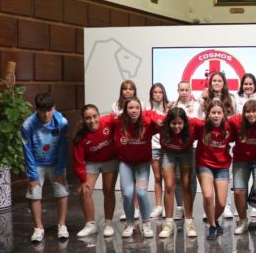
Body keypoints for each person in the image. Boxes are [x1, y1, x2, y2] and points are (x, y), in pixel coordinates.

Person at [111, 97, 165, 239]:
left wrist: (155, 117)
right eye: (130, 108)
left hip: (142, 163)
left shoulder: (147, 122)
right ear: (125, 110)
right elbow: (101, 122)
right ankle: (130, 223)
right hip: (125, 163)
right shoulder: (117, 121)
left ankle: (146, 224)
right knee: (128, 194)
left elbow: (161, 122)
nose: (134, 111)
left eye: (137, 108)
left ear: (141, 110)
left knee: (141, 193)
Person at [21, 93, 70, 243]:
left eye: (49, 110)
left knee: (61, 190)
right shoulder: (27, 125)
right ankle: (38, 228)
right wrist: (33, 175)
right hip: (36, 163)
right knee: (34, 192)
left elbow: (63, 146)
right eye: (42, 110)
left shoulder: (62, 122)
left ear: (54, 108)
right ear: (37, 109)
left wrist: (60, 170)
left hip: (56, 162)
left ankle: (62, 225)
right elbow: (27, 149)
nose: (46, 114)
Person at [189, 102, 234, 240]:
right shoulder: (200, 125)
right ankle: (213, 226)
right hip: (204, 164)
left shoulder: (229, 127)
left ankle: (212, 220)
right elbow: (183, 119)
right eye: (213, 112)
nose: (216, 116)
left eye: (219, 113)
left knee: (221, 203)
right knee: (208, 196)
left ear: (223, 114)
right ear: (208, 114)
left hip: (222, 166)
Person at [72, 104, 117, 238]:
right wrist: (81, 179)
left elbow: (126, 117)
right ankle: (90, 225)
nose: (92, 121)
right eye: (88, 118)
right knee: (84, 191)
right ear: (83, 120)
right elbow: (78, 160)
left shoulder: (109, 120)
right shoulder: (80, 136)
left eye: (94, 116)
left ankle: (108, 223)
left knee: (108, 191)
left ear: (99, 115)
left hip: (110, 160)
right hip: (91, 163)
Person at [229, 100, 256, 236]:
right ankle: (242, 221)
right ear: (243, 113)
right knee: (238, 191)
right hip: (241, 159)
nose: (251, 114)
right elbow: (227, 132)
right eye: (248, 112)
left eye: (254, 111)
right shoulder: (236, 121)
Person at [158, 107, 197, 238]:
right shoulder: (161, 125)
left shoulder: (192, 126)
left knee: (186, 185)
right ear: (168, 122)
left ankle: (189, 222)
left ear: (185, 123)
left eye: (180, 123)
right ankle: (168, 224)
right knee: (169, 186)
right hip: (168, 153)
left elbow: (206, 122)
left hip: (186, 153)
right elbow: (148, 115)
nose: (176, 126)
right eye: (173, 123)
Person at [145, 83, 169, 219]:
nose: (157, 94)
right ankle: (158, 206)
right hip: (153, 146)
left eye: (160, 92)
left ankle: (167, 206)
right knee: (158, 177)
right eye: (155, 92)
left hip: (166, 147)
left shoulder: (170, 106)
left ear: (164, 93)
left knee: (167, 177)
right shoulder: (146, 107)